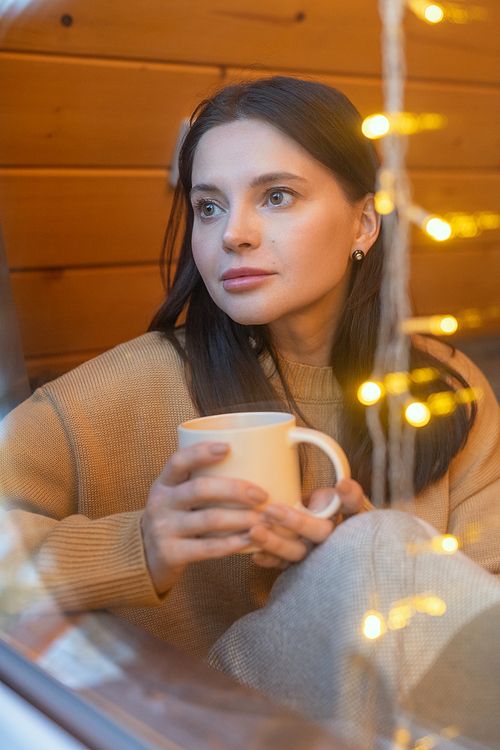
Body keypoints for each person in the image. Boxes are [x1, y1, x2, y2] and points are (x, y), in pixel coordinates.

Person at [1, 77, 500, 746]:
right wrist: (139, 546)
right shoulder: (130, 386)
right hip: (192, 723)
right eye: (208, 207)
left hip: (415, 723)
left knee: (372, 548)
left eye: (276, 196)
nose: (233, 233)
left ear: (363, 223)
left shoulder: (446, 387)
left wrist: (351, 571)